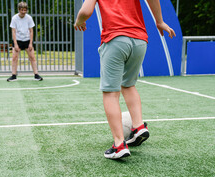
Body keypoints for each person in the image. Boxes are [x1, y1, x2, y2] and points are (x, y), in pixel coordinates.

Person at [74, 0, 176, 159]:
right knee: (128, 85)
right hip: (140, 40)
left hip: (115, 39)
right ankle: (138, 126)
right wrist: (160, 21)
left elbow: (86, 11)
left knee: (110, 93)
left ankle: (119, 144)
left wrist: (79, 21)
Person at [7, 2, 43, 82]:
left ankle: (36, 75)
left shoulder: (29, 18)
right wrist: (15, 44)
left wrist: (30, 43)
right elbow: (13, 31)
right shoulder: (14, 18)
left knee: (32, 57)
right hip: (18, 40)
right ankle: (13, 75)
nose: (23, 12)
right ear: (18, 10)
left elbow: (31, 31)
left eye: (25, 10)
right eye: (22, 10)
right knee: (14, 58)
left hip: (27, 40)